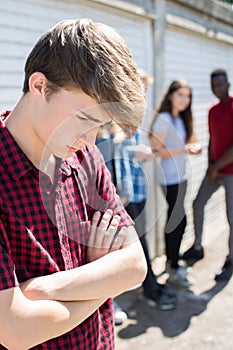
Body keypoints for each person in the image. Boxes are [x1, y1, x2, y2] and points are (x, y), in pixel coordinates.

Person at [0, 18, 148, 349]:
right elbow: (15, 330)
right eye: (83, 118)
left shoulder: (86, 157)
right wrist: (101, 277)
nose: (89, 138)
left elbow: (135, 266)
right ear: (39, 86)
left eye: (100, 125)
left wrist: (43, 290)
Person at [97, 70, 176, 310]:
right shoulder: (110, 117)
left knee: (139, 243)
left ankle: (148, 284)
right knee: (117, 249)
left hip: (134, 191)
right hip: (119, 196)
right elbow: (107, 154)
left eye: (146, 89)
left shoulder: (133, 117)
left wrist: (142, 152)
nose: (144, 93)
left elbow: (126, 152)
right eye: (141, 87)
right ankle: (123, 297)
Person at [182, 69, 233, 281]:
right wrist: (211, 166)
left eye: (220, 85)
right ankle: (197, 246)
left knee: (232, 218)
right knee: (197, 203)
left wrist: (216, 167)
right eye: (213, 85)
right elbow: (213, 140)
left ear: (228, 84)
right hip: (215, 169)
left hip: (230, 171)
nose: (216, 89)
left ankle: (230, 260)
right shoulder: (213, 110)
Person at [150, 79, 202, 287]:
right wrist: (184, 150)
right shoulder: (163, 118)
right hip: (169, 178)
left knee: (179, 220)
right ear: (171, 95)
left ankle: (174, 261)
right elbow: (155, 151)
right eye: (180, 94)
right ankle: (173, 265)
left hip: (182, 177)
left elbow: (188, 142)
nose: (184, 99)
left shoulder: (180, 118)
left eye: (188, 96)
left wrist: (193, 147)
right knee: (177, 220)